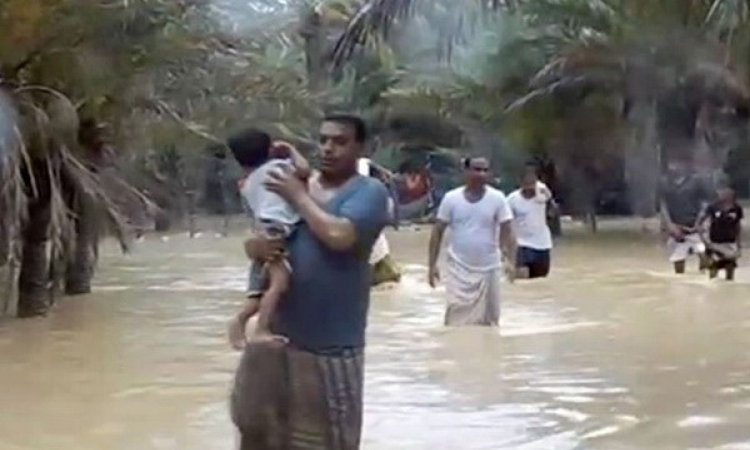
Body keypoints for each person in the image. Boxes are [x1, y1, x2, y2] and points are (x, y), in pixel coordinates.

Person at [231, 115, 389, 450]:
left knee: (325, 442)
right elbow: (260, 237)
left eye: (340, 141)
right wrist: (254, 247)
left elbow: (339, 236)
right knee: (259, 434)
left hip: (330, 349)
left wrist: (297, 195)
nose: (328, 148)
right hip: (277, 343)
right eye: (323, 140)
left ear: (362, 148)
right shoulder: (290, 181)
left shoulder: (370, 192)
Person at [226, 129, 311, 350]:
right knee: (280, 283)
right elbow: (304, 170)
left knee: (259, 289)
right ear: (271, 149)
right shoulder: (278, 168)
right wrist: (291, 150)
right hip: (277, 230)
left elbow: (253, 215)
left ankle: (239, 322)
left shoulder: (246, 183)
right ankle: (260, 329)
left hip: (262, 231)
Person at [427, 156, 517, 326]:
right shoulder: (451, 199)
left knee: (490, 323)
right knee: (455, 321)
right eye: (476, 169)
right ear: (466, 172)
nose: (481, 174)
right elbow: (437, 231)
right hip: (458, 270)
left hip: (489, 269)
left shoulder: (497, 198)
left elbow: (509, 230)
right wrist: (432, 266)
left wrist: (511, 261)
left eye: (485, 170)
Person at [659, 155, 714, 274]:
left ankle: (705, 280)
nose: (674, 167)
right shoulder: (665, 183)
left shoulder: (696, 181)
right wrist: (670, 225)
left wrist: (701, 222)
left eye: (677, 164)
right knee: (678, 261)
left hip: (695, 226)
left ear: (684, 166)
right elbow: (663, 206)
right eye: (671, 164)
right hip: (676, 228)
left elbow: (706, 203)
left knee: (704, 254)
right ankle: (681, 284)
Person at [507, 165, 555, 279]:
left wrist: (549, 199)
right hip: (522, 245)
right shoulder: (511, 200)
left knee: (540, 280)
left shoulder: (543, 195)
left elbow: (553, 214)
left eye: (532, 181)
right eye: (526, 181)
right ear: (520, 182)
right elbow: (506, 223)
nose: (530, 185)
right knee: (522, 278)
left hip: (543, 245)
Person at [700, 185, 743, 280]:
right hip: (715, 242)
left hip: (730, 243)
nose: (725, 195)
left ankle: (729, 288)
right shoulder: (712, 207)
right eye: (723, 193)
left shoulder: (737, 208)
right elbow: (702, 224)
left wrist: (739, 245)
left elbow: (738, 226)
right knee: (713, 267)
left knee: (730, 267)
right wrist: (705, 241)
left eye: (728, 193)